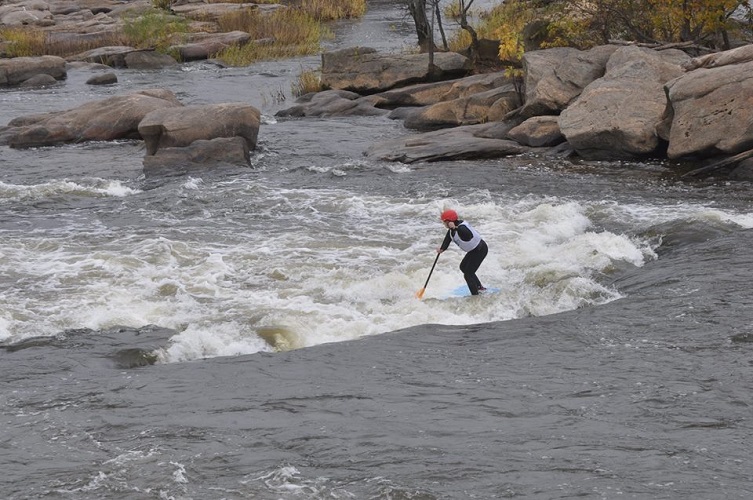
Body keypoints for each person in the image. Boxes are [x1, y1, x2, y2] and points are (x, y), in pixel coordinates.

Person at [437, 209, 488, 295]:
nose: (443, 224)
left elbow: (468, 235)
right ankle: (480, 288)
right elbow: (447, 239)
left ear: (449, 222)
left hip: (480, 249)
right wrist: (442, 249)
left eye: (444, 222)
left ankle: (476, 296)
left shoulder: (462, 226)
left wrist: (455, 228)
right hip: (473, 251)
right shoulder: (451, 231)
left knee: (468, 274)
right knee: (463, 267)